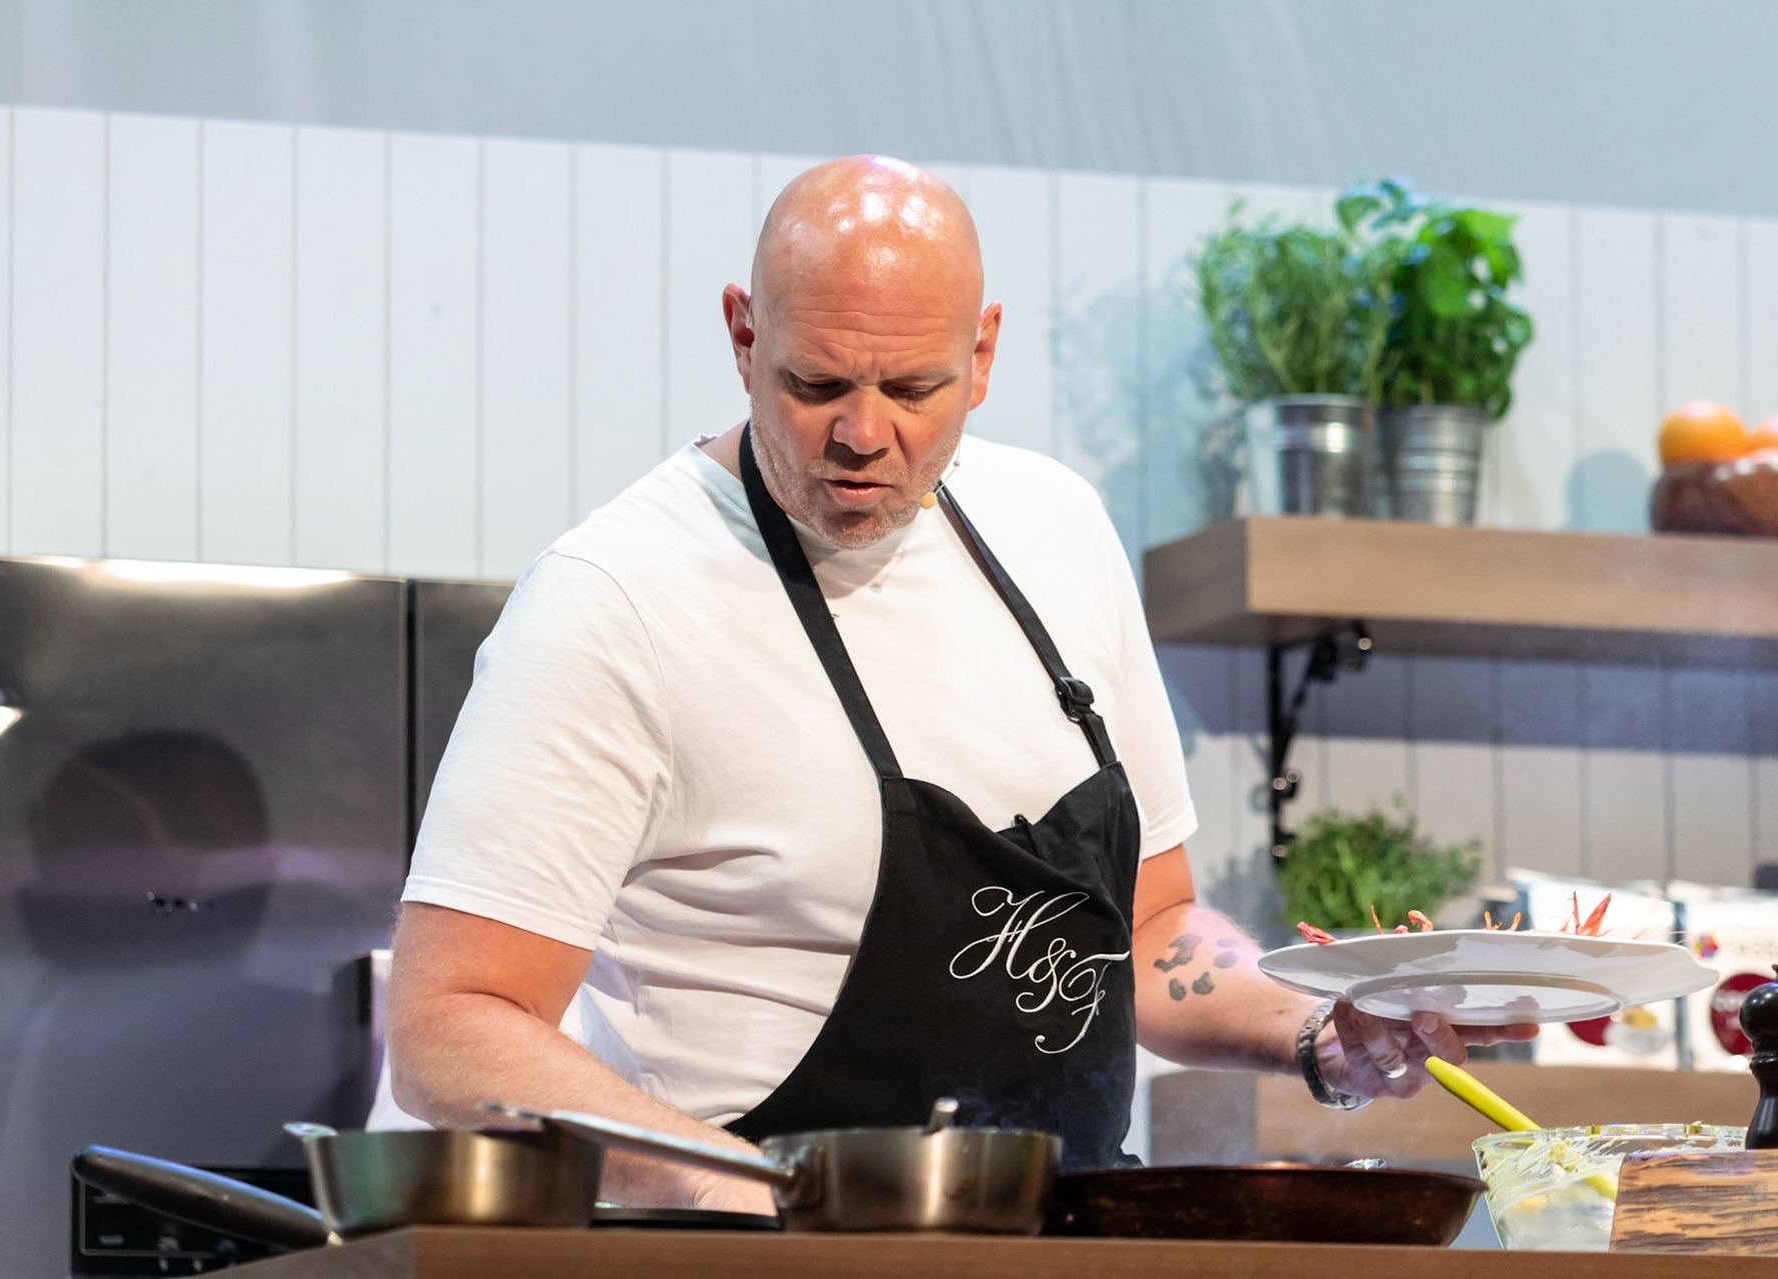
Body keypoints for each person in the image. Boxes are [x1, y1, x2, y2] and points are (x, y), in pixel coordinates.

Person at [382, 155, 1533, 1213]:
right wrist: (744, 1186)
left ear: (984, 353)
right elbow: (452, 1026)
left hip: (1065, 1232)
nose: (863, 433)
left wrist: (1322, 1032)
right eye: (816, 380)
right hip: (758, 1250)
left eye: (915, 386)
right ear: (743, 335)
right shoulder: (615, 598)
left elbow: (1148, 929)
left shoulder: (1060, 530)